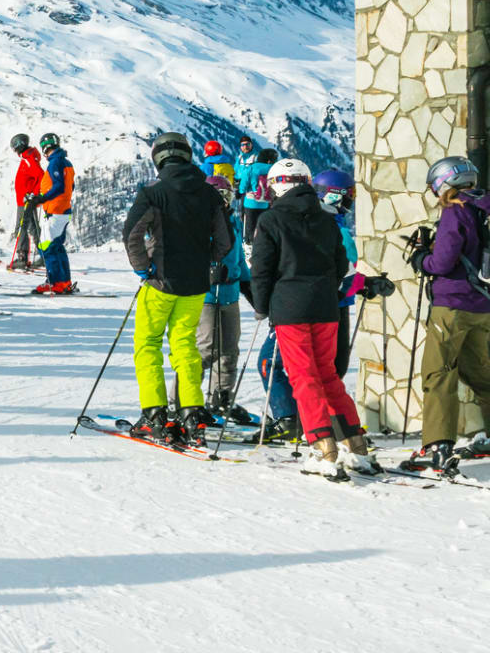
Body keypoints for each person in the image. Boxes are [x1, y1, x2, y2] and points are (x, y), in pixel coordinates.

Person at [249, 158, 382, 479]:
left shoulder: (271, 219)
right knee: (327, 375)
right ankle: (356, 443)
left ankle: (323, 446)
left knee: (303, 378)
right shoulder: (326, 219)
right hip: (326, 308)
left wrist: (263, 307)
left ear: (277, 184)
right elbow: (341, 268)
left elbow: (262, 270)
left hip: (289, 309)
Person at [402, 155, 490, 473]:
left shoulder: (455, 209)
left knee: (438, 372)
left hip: (453, 304)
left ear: (442, 183)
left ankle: (439, 445)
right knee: (479, 371)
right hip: (485, 303)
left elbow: (444, 262)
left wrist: (421, 258)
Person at [120, 133, 234, 444]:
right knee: (185, 348)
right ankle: (191, 413)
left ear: (158, 158)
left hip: (160, 283)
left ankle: (154, 414)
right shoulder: (209, 194)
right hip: (196, 286)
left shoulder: (153, 192)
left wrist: (144, 267)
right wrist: (206, 262)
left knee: (148, 345)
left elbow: (131, 234)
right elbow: (226, 241)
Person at [199, 173, 255, 424]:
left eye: (228, 195)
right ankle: (180, 401)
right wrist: (207, 271)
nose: (225, 200)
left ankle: (220, 398)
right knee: (206, 348)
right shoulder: (199, 221)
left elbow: (239, 259)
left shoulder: (232, 220)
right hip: (207, 296)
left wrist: (252, 290)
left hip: (230, 294)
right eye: (221, 196)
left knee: (229, 349)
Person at [26, 133, 76, 294]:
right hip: (62, 209)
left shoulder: (55, 163)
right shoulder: (66, 162)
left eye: (44, 150)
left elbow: (58, 186)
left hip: (55, 211)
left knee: (46, 247)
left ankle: (54, 282)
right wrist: (42, 199)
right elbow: (69, 187)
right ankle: (64, 281)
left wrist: (42, 197)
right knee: (57, 247)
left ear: (46, 147)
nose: (44, 153)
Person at [8, 133, 43, 272]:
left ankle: (22, 258)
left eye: (14, 146)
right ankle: (44, 255)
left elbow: (41, 176)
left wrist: (33, 194)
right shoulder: (27, 158)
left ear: (19, 144)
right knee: (33, 228)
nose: (14, 149)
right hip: (25, 200)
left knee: (21, 227)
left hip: (26, 201)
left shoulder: (29, 159)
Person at [236, 145, 278, 246]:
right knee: (264, 226)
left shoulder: (251, 168)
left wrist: (241, 191)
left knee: (250, 226)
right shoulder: (274, 169)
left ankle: (249, 243)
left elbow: (243, 187)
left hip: (250, 203)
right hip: (267, 203)